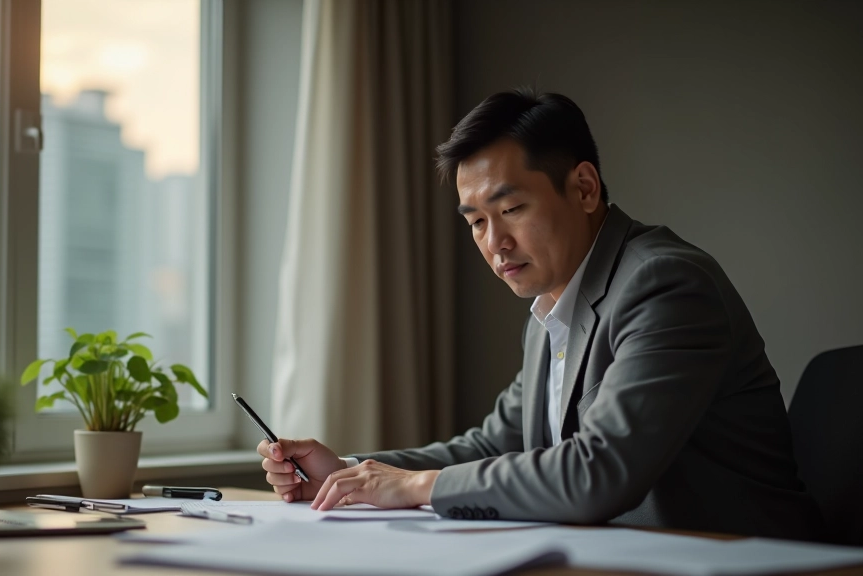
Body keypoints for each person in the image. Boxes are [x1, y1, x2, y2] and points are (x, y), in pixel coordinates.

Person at [258, 88, 824, 540]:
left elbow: (599, 472)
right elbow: (491, 446)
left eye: (511, 208)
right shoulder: (553, 308)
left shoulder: (665, 285)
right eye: (476, 222)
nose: (495, 242)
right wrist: (351, 472)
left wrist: (414, 486)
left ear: (583, 187)